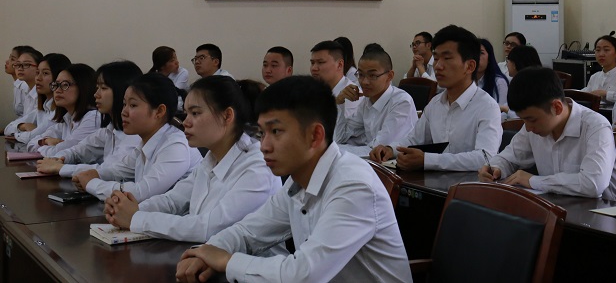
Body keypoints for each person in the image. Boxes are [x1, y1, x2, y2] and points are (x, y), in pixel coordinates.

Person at [175, 76, 412, 283]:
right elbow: (248, 231)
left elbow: (304, 275)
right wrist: (207, 252)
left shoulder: (353, 185)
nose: (264, 146)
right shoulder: (298, 180)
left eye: (276, 131)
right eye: (261, 133)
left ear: (315, 135)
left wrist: (226, 261)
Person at [104, 76, 281, 242]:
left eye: (195, 113)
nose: (186, 122)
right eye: (187, 113)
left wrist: (136, 218)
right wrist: (127, 209)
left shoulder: (257, 167)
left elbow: (208, 228)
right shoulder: (211, 159)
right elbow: (173, 200)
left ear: (227, 116)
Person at [480, 67, 616, 203]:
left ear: (557, 107)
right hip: (560, 207)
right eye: (523, 120)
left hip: (605, 213)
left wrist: (532, 181)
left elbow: (593, 184)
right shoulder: (533, 126)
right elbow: (509, 158)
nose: (528, 128)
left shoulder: (596, 126)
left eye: (532, 120)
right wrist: (495, 168)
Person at [369, 25, 502, 171]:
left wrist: (427, 160)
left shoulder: (487, 106)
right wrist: (390, 149)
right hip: (435, 180)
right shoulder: (436, 103)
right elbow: (414, 139)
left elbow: (485, 157)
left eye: (447, 58)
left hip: (469, 183)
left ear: (469, 66)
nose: (438, 66)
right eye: (436, 58)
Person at [73, 72, 202, 201]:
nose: (123, 112)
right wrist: (95, 174)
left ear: (159, 111)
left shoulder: (176, 145)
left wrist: (91, 183)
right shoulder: (146, 142)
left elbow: (140, 193)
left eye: (133, 105)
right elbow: (117, 170)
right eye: (124, 104)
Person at [36, 61, 142, 177]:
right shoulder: (109, 130)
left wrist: (60, 167)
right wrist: (57, 160)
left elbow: (111, 170)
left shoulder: (134, 135)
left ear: (122, 91)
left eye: (103, 88)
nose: (96, 94)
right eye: (97, 88)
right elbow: (77, 151)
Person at [334, 44, 417, 156]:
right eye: (361, 75)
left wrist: (335, 150)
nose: (364, 82)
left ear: (389, 76)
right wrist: (339, 103)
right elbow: (340, 137)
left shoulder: (401, 102)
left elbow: (377, 150)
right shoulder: (367, 101)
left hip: (395, 164)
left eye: (372, 75)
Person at [28, 63, 103, 157]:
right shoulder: (67, 119)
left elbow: (59, 154)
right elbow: (31, 144)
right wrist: (45, 141)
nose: (57, 90)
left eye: (65, 85)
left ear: (83, 87)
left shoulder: (93, 118)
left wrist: (44, 147)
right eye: (56, 85)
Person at [6, 53, 71, 145]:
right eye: (37, 73)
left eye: (45, 73)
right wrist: (22, 126)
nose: (38, 78)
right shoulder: (44, 107)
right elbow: (8, 128)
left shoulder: (59, 112)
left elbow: (31, 138)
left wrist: (17, 135)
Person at [310, 40, 360, 117]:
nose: (314, 68)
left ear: (339, 65)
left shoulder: (351, 95)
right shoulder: (313, 92)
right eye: (312, 63)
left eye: (320, 62)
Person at [581, 35, 616, 104]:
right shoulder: (594, 77)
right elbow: (584, 94)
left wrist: (606, 94)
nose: (601, 54)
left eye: (606, 50)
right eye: (598, 50)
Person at [11, 46, 43, 118]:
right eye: (18, 64)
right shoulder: (28, 91)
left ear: (38, 68)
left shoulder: (41, 94)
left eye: (26, 64)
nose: (20, 68)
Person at [476, 38, 509, 107]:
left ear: (489, 58)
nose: (476, 57)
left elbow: (502, 110)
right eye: (472, 53)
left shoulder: (499, 82)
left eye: (481, 53)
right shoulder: (464, 81)